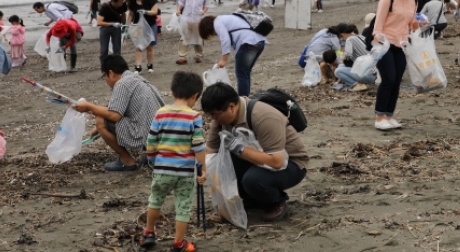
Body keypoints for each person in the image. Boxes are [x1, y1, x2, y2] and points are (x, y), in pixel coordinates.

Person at [201, 83, 308, 221]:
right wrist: (197, 168)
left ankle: (275, 203)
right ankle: (251, 199)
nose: (212, 119)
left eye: (214, 115)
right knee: (223, 164)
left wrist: (239, 149)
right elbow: (211, 152)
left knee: (252, 180)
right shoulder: (221, 119)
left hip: (292, 164)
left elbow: (277, 162)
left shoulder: (263, 117)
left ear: (231, 107)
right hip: (260, 158)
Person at [141, 71, 206, 252]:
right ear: (195, 96)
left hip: (162, 169)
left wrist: (153, 161)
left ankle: (148, 232)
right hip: (184, 173)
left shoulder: (160, 113)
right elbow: (199, 146)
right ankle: (179, 243)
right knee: (183, 206)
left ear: (172, 91)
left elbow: (151, 141)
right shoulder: (194, 116)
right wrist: (203, 170)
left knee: (155, 199)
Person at [74, 55, 164, 171]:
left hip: (147, 135)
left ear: (111, 73)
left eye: (105, 76)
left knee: (100, 120)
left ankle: (126, 161)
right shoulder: (136, 79)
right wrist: (98, 127)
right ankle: (151, 153)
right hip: (160, 135)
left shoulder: (122, 84)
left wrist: (89, 107)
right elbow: (120, 109)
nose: (106, 80)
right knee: (103, 118)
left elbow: (114, 115)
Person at [372, 0, 423, 131]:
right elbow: (378, 25)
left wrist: (418, 24)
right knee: (388, 79)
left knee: (396, 81)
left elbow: (410, 21)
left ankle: (389, 115)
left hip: (402, 44)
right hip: (385, 43)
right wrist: (379, 42)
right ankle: (379, 117)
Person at [198, 14, 268, 97]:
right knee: (245, 72)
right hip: (259, 42)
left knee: (241, 73)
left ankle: (243, 99)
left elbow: (225, 39)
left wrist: (224, 59)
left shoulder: (217, 22)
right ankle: (246, 97)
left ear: (208, 28)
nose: (214, 35)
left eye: (211, 34)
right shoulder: (225, 19)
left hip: (248, 42)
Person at [335, 20, 377, 92]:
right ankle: (358, 82)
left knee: (338, 71)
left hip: (369, 75)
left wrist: (342, 57)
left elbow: (348, 55)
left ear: (341, 35)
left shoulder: (349, 39)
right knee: (341, 66)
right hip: (376, 71)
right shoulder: (360, 36)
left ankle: (356, 85)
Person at [176, 0, 209, 65]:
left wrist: (203, 11)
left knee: (198, 37)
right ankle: (182, 57)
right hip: (186, 17)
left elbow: (207, 5)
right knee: (184, 37)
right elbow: (181, 2)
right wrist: (178, 10)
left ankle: (199, 55)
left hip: (198, 19)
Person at [128, 0, 159, 74]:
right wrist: (127, 26)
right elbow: (131, 14)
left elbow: (155, 11)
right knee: (139, 46)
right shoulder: (132, 2)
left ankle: (150, 65)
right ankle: (138, 67)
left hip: (151, 25)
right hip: (139, 26)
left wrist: (146, 12)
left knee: (150, 46)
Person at [97, 0, 128, 65]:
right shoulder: (105, 7)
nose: (120, 4)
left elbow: (123, 14)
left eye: (122, 2)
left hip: (116, 28)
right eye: (119, 2)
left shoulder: (123, 5)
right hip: (105, 28)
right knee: (104, 50)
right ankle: (104, 69)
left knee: (117, 49)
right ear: (113, 1)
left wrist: (124, 26)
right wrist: (112, 24)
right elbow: (99, 22)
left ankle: (116, 68)